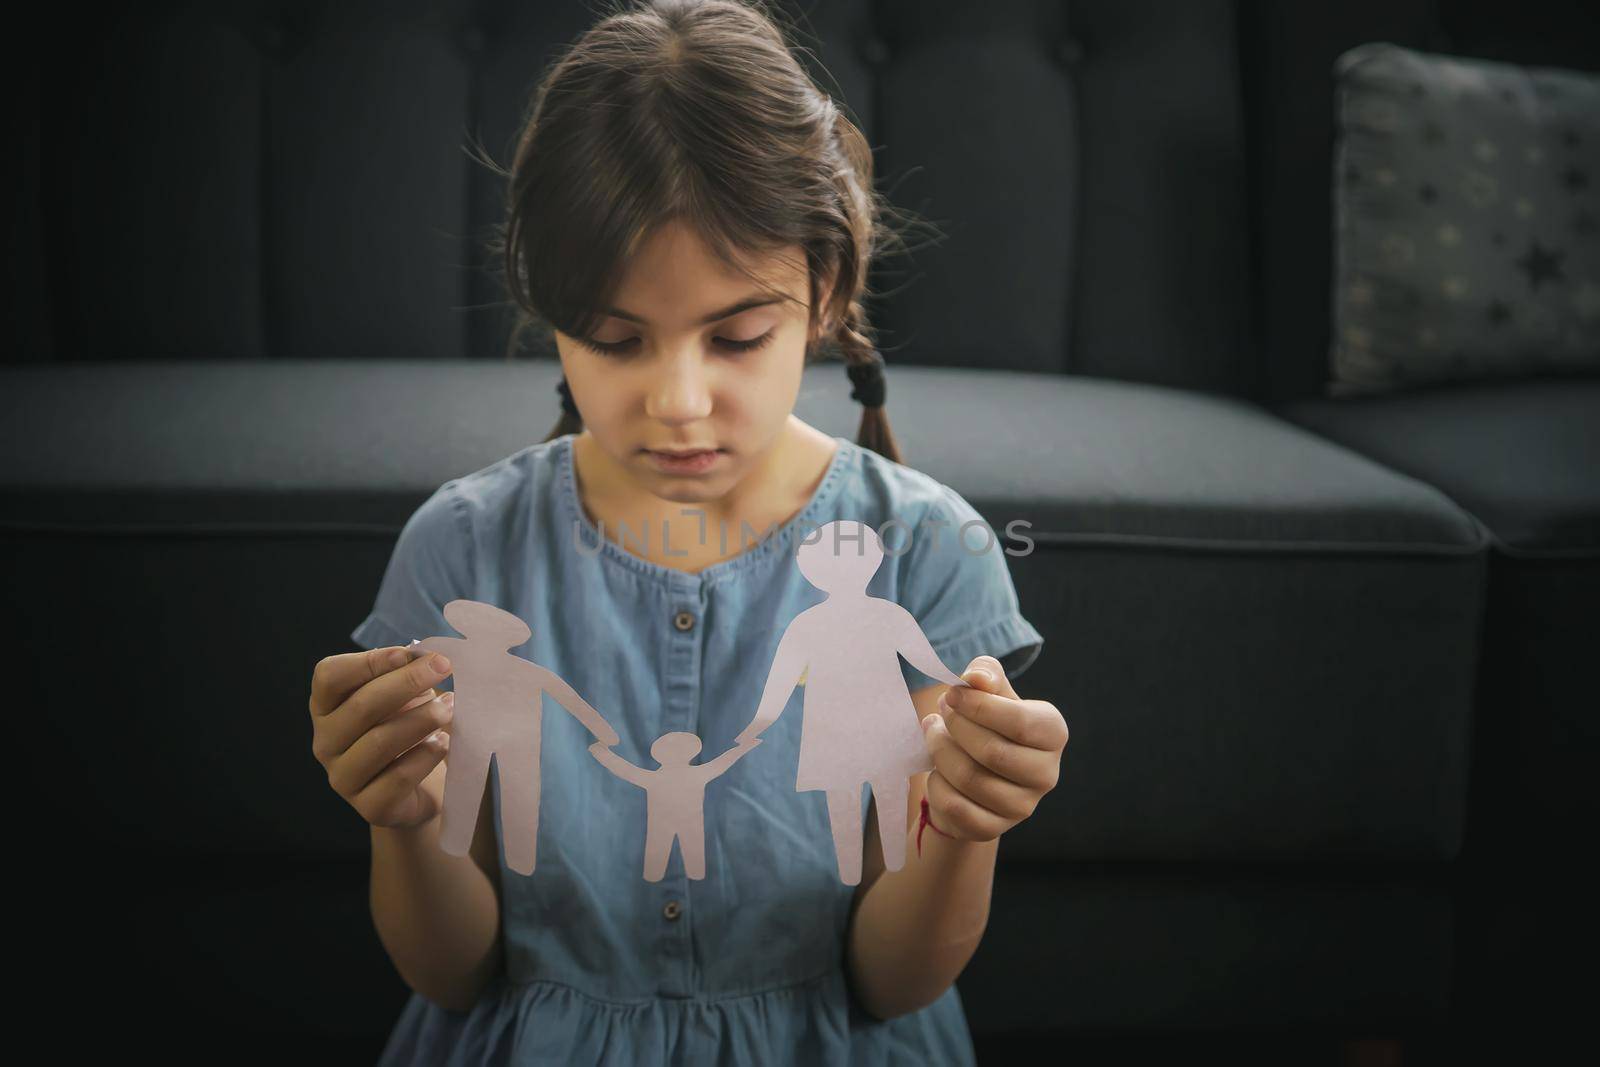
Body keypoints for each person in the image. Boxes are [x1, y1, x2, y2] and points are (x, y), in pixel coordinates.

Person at [305, 1, 1066, 1061]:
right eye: (616, 341)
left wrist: (964, 823)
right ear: (550, 312)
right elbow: (452, 970)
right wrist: (395, 812)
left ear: (827, 292)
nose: (678, 400)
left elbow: (893, 986)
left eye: (738, 336)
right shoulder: (464, 547)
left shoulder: (928, 549)